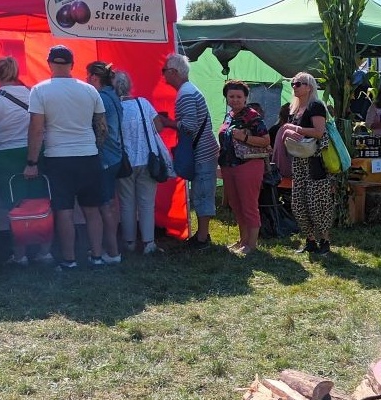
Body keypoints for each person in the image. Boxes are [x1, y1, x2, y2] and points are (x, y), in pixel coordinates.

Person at [23, 44, 107, 271]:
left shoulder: (39, 90)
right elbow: (102, 127)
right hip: (89, 156)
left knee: (64, 211)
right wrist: (94, 149)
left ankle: (69, 261)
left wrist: (31, 162)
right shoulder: (90, 90)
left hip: (58, 158)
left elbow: (36, 129)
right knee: (92, 210)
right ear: (72, 65)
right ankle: (97, 257)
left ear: (49, 63)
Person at [0, 56, 53, 265]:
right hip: (36, 153)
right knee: (42, 202)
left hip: (4, 156)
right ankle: (45, 251)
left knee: (15, 207)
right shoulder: (33, 94)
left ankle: (20, 255)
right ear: (17, 73)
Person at [158, 53, 219, 248]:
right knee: (202, 191)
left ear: (174, 72)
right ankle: (202, 236)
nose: (163, 75)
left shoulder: (185, 94)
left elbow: (190, 126)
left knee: (201, 193)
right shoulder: (189, 90)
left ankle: (202, 239)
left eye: (164, 71)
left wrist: (168, 123)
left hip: (202, 152)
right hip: (204, 150)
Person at [279, 72, 335, 255]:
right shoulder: (294, 109)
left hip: (315, 160)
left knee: (317, 202)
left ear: (309, 87)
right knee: (299, 202)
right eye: (293, 83)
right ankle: (310, 240)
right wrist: (289, 132)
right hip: (299, 161)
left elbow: (319, 132)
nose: (294, 86)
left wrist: (293, 128)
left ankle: (324, 240)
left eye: (299, 83)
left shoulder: (316, 106)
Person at [115, 70, 167, 255]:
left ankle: (129, 242)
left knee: (126, 203)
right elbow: (158, 126)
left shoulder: (113, 107)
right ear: (129, 86)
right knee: (146, 203)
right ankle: (148, 243)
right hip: (147, 159)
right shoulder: (142, 103)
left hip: (124, 163)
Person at [218, 80, 271, 255]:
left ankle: (252, 244)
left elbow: (265, 141)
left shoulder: (252, 116)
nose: (234, 99)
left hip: (248, 164)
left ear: (246, 98)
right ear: (226, 97)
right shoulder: (230, 115)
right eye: (231, 96)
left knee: (248, 204)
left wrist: (244, 138)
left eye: (238, 96)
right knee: (235, 204)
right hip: (229, 165)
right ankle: (243, 240)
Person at [85, 61, 124, 264]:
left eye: (87, 76)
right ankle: (111, 250)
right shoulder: (113, 95)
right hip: (115, 156)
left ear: (94, 77)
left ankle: (112, 252)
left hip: (104, 158)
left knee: (104, 206)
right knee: (109, 205)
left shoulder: (99, 97)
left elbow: (101, 130)